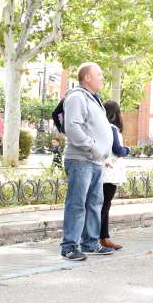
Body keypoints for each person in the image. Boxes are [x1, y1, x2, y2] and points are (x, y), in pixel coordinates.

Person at [59, 63, 116, 261]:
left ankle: (91, 242)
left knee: (94, 202)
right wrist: (93, 147)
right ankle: (69, 246)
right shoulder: (76, 96)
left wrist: (103, 155)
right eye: (98, 74)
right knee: (77, 203)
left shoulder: (92, 98)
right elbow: (73, 127)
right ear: (87, 78)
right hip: (81, 159)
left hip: (95, 161)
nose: (102, 77)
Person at [99, 101, 127, 250]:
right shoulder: (113, 128)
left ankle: (103, 237)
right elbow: (118, 149)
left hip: (103, 170)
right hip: (109, 173)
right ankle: (102, 238)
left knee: (101, 205)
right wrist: (127, 150)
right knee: (105, 206)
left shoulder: (102, 127)